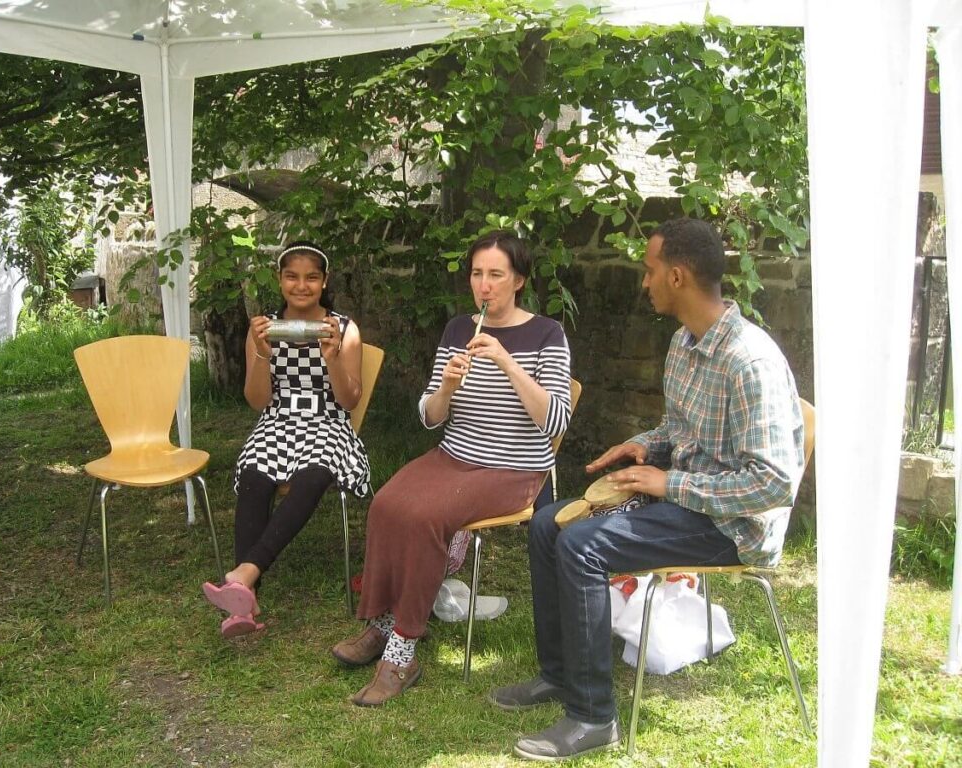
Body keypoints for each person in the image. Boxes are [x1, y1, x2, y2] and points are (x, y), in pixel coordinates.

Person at [490, 218, 805, 761]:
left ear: (678, 276)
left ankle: (593, 718)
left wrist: (668, 481)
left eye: (650, 269)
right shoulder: (684, 343)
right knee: (548, 523)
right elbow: (679, 432)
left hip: (735, 527)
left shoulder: (750, 361)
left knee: (584, 546)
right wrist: (640, 446)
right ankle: (560, 675)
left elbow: (773, 484)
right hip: (686, 500)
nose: (644, 281)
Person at [331, 230, 572, 706]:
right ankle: (381, 624)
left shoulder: (547, 334)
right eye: (477, 274)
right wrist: (445, 387)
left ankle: (402, 652)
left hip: (513, 468)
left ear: (518, 280)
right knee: (387, 504)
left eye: (496, 275)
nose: (484, 286)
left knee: (423, 517)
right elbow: (429, 417)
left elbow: (557, 420)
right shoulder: (458, 329)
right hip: (454, 454)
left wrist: (506, 362)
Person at [201, 241, 370, 638]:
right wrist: (261, 353)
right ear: (280, 280)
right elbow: (258, 401)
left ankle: (246, 575)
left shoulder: (343, 329)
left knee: (314, 474)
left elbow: (350, 400)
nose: (301, 285)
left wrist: (330, 356)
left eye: (311, 277)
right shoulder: (264, 327)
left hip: (328, 421)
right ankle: (245, 601)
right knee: (256, 474)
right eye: (292, 276)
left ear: (324, 282)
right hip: (278, 421)